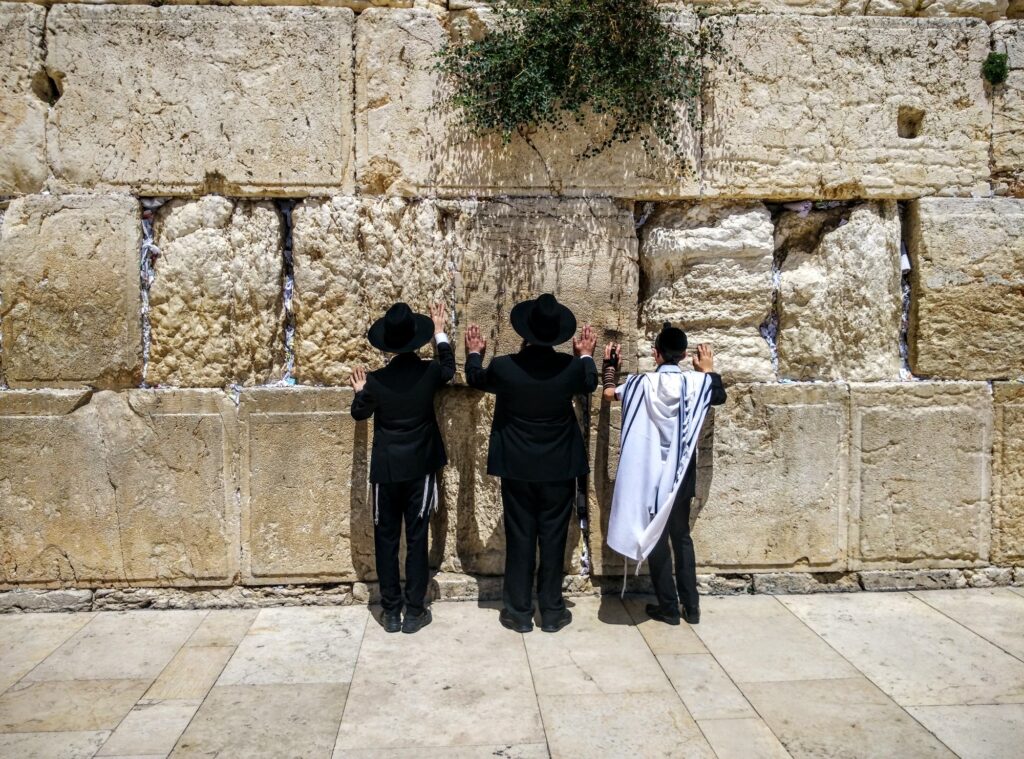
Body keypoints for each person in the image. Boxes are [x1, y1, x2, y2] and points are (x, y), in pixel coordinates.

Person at [465, 293, 598, 633]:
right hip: (558, 468)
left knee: (520, 536)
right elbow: (590, 383)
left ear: (525, 333)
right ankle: (552, 612)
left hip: (517, 467)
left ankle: (519, 613)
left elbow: (476, 379)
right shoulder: (570, 369)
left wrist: (474, 355)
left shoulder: (505, 367)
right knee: (553, 539)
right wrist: (585, 356)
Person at [602, 323, 727, 625]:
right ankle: (692, 608)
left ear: (655, 354)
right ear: (685, 355)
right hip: (681, 473)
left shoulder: (640, 383)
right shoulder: (696, 384)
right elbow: (719, 395)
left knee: (656, 539)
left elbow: (608, 394)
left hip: (649, 475)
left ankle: (669, 607)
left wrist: (609, 367)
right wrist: (708, 369)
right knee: (681, 536)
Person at [350, 302, 455, 634]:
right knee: (416, 535)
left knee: (386, 538)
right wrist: (439, 332)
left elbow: (359, 413)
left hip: (386, 471)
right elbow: (449, 367)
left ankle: (390, 611)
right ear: (416, 339)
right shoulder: (428, 373)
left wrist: (360, 391)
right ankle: (414, 611)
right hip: (420, 467)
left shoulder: (376, 381)